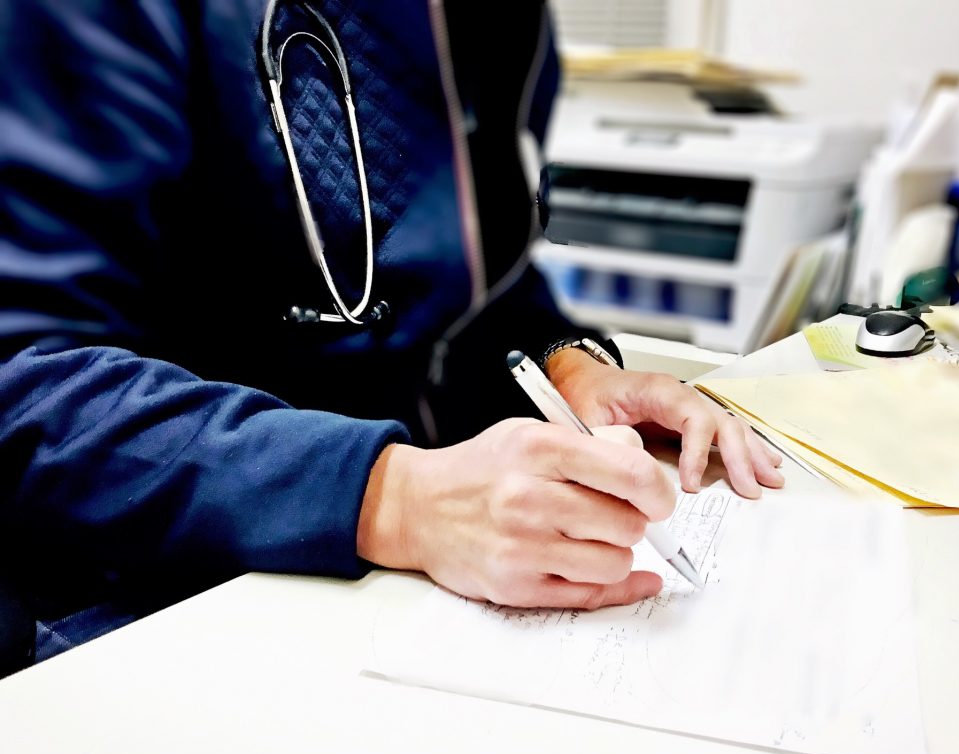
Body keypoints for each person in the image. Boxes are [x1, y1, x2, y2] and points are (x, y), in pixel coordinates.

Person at [0, 0, 784, 671]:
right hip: (147, 606)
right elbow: (25, 380)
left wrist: (569, 370)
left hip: (408, 601)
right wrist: (393, 498)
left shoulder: (493, 20)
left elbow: (465, 287)